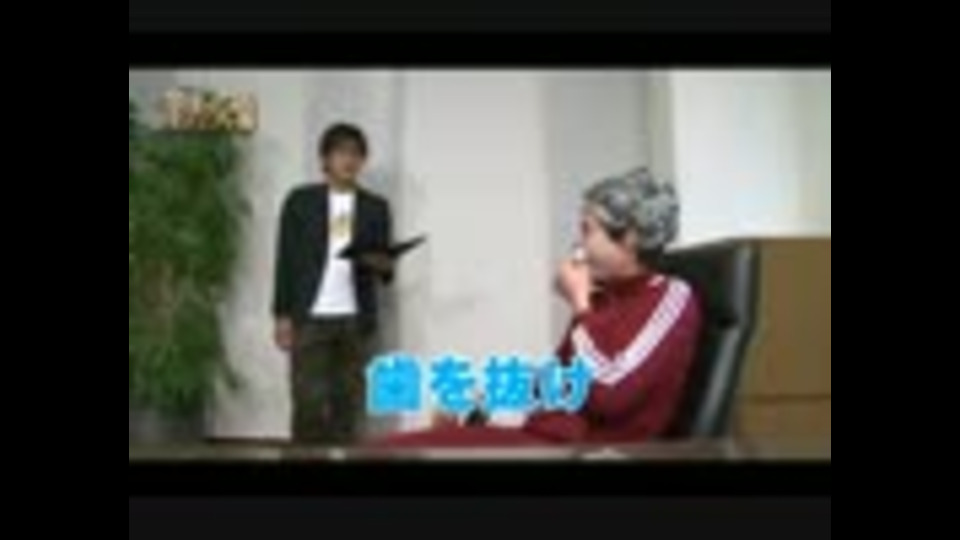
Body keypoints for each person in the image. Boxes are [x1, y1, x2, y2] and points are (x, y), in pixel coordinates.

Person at [374, 168, 702, 448]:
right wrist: (485, 399)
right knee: (391, 449)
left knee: (390, 454)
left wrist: (580, 304)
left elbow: (610, 394)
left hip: (587, 450)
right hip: (547, 436)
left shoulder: (671, 297)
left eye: (588, 230)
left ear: (629, 238)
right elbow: (562, 380)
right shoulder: (604, 295)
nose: (579, 244)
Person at [272, 123, 395, 445]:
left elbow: (383, 270)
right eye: (341, 152)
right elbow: (286, 259)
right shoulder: (300, 201)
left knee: (348, 404)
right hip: (310, 316)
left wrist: (384, 265)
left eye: (356, 153)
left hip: (355, 318)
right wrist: (282, 315)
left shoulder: (376, 207)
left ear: (363, 160)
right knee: (308, 403)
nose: (348, 160)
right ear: (325, 159)